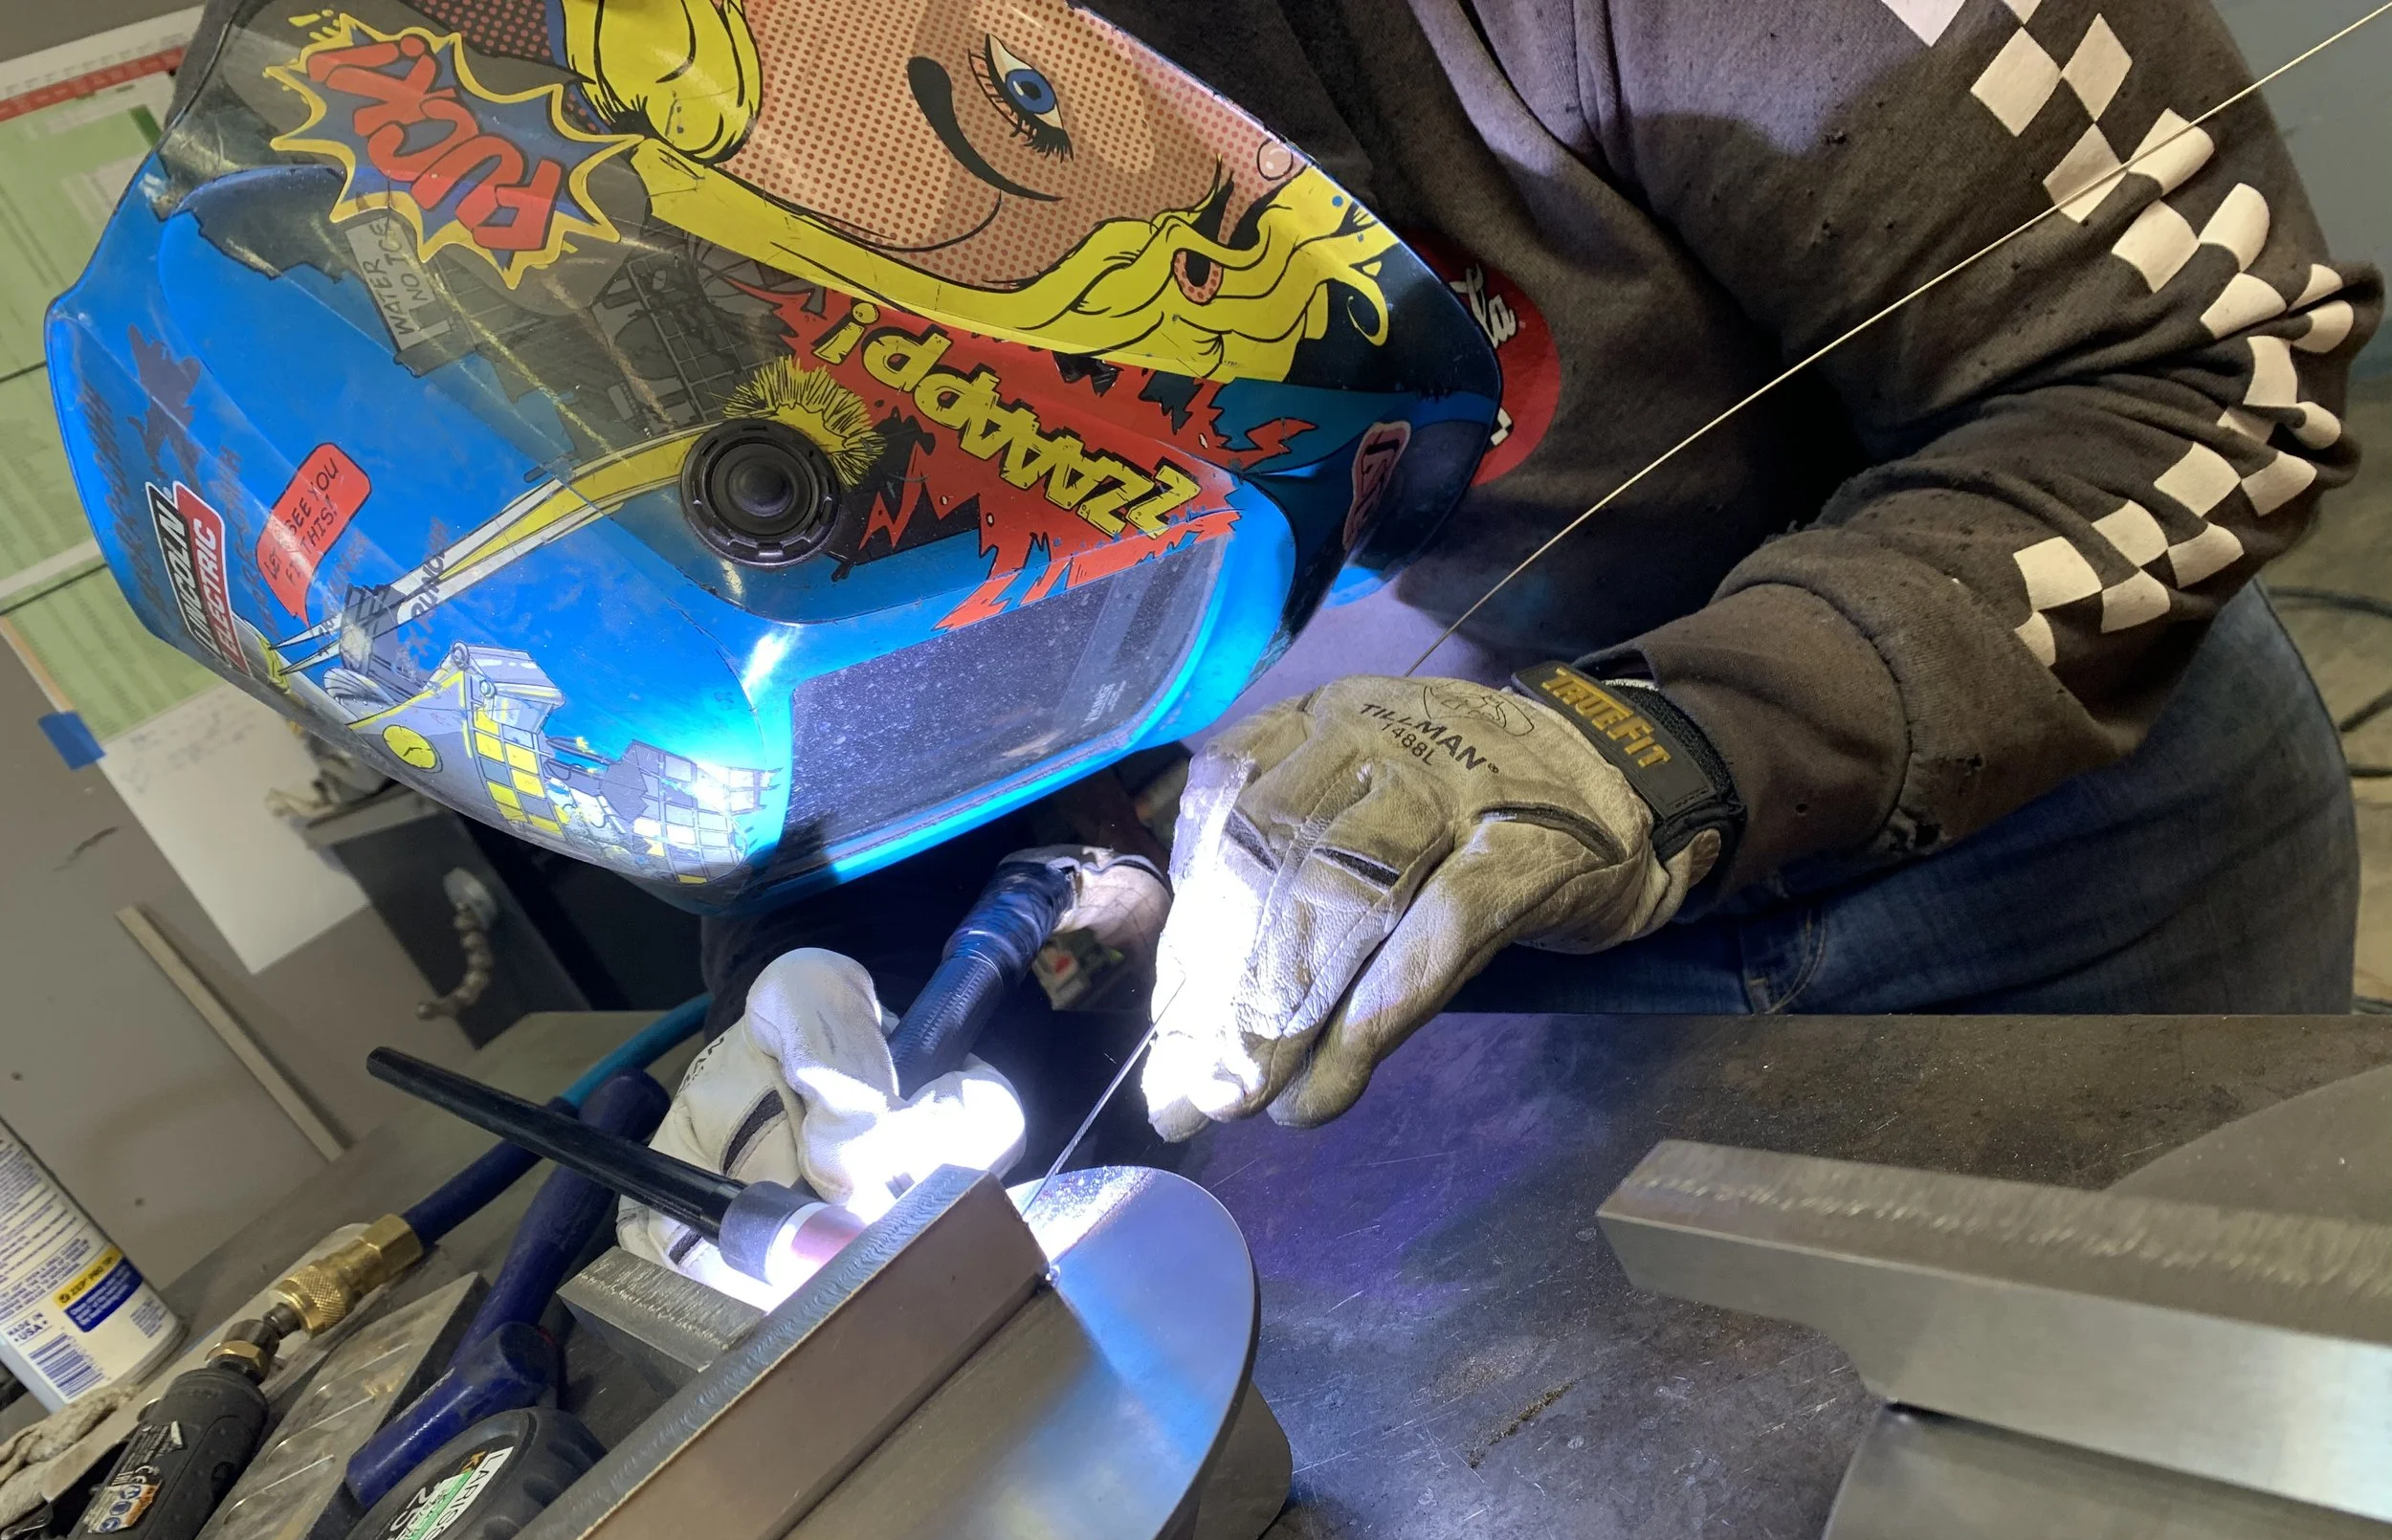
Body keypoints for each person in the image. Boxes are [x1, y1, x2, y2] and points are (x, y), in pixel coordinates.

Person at [68, 0, 2376, 1299]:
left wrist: (1654, 752)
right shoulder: (591, 132)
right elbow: (820, 632)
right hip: (1445, 999)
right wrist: (866, 943)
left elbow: (2205, 366)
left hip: (2028, 860)